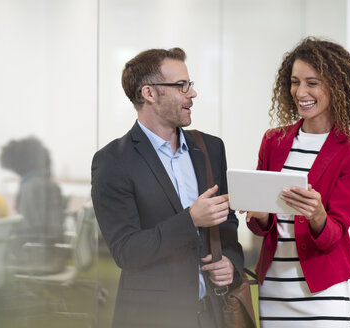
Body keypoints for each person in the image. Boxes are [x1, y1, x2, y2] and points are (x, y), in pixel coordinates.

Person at [91, 47, 244, 328]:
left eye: (190, 84)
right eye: (181, 86)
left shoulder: (210, 148)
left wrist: (231, 263)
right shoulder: (113, 161)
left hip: (212, 314)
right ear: (149, 93)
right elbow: (126, 250)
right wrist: (191, 219)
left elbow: (227, 222)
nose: (192, 93)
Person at [246, 37, 350, 327]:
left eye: (312, 83)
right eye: (295, 82)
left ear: (337, 86)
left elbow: (334, 233)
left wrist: (318, 215)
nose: (300, 92)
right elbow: (260, 227)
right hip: (274, 289)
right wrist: (259, 214)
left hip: (323, 292)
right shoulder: (273, 141)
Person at [0, 137, 68, 274]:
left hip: (35, 257)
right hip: (54, 256)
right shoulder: (51, 185)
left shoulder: (30, 187)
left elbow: (30, 230)